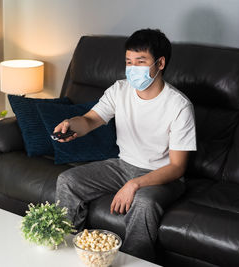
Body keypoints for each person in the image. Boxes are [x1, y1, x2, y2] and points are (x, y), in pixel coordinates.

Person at [53, 28, 196, 262]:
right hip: (122, 165)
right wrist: (71, 125)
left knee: (144, 202)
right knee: (67, 181)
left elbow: (178, 167)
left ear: (160, 63)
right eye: (129, 62)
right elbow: (90, 120)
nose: (133, 69)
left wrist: (135, 184)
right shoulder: (119, 90)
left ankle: (133, 261)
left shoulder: (179, 106)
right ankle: (69, 249)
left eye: (140, 62)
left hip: (163, 175)